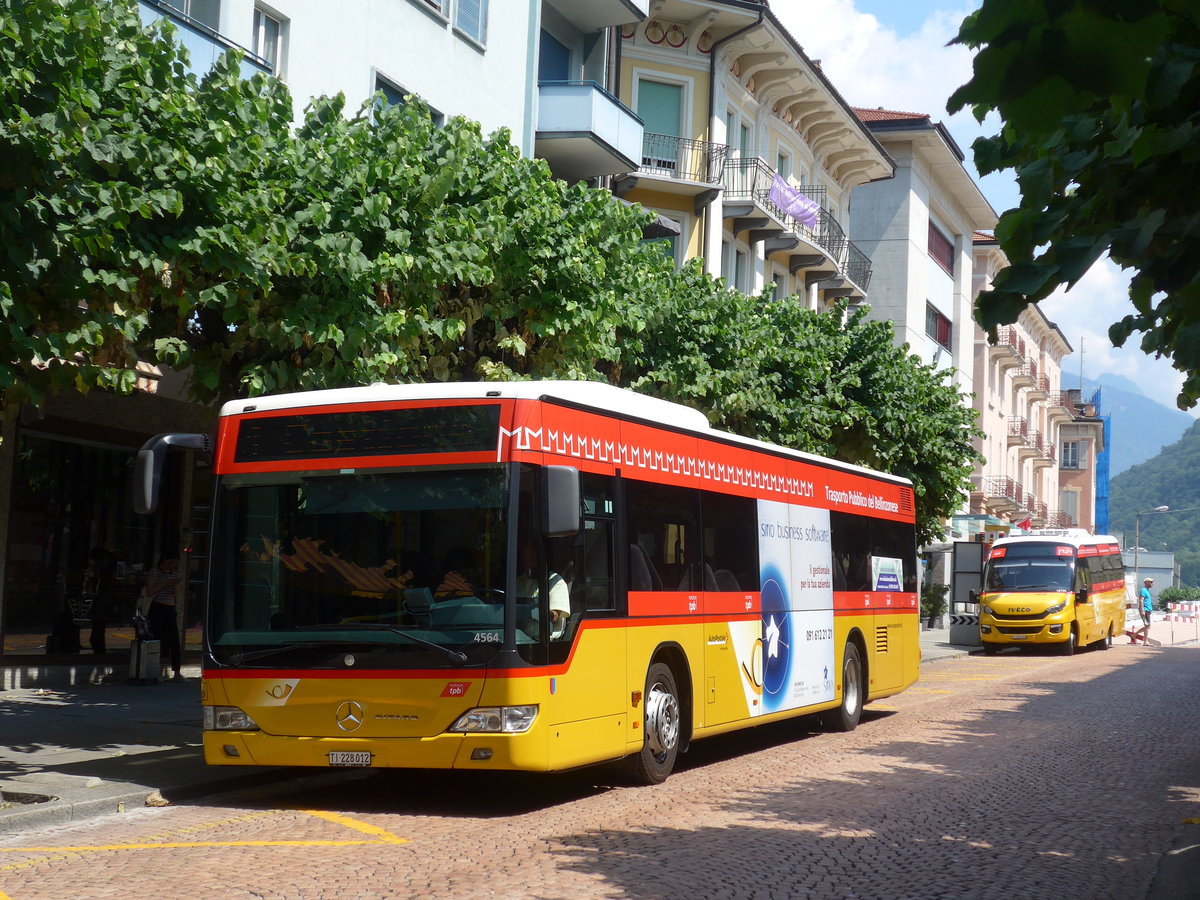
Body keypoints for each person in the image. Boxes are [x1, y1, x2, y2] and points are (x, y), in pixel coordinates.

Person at [516, 542, 570, 639]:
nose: (529, 559)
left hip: (545, 641)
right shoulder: (518, 582)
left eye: (532, 555)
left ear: (539, 557)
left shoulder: (555, 581)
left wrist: (536, 609)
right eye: (525, 555)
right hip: (519, 636)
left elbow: (554, 616)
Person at [145, 556, 184, 680]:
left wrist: (173, 587)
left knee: (174, 640)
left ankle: (177, 672)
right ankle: (155, 671)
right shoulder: (154, 572)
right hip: (157, 607)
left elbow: (175, 593)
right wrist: (165, 583)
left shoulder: (174, 572)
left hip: (170, 608)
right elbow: (150, 591)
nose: (171, 565)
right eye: (169, 562)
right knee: (157, 639)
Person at [1136, 577, 1154, 645]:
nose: (1152, 584)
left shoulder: (1147, 591)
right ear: (1147, 583)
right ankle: (1145, 641)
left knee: (1148, 626)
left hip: (1148, 610)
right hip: (1145, 610)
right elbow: (1141, 600)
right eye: (1151, 582)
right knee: (1147, 626)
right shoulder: (1143, 590)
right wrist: (1142, 610)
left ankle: (1135, 635)